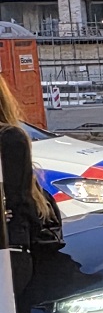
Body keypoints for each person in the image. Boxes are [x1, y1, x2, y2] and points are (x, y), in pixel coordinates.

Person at [0, 79, 61, 297]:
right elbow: (21, 201)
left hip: (9, 250)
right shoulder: (11, 138)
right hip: (12, 249)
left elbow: (18, 200)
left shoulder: (9, 139)